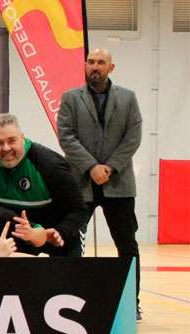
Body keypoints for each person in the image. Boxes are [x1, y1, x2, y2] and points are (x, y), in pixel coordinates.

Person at [57, 47, 143, 318]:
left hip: (119, 184)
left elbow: (133, 136)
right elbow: (66, 136)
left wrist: (110, 167)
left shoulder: (128, 99)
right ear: (85, 66)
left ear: (111, 67)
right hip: (81, 183)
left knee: (127, 244)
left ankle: (132, 302)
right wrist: (91, 167)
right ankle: (71, 298)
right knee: (71, 241)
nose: (95, 66)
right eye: (91, 62)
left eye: (101, 62)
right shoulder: (71, 98)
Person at [0, 113, 86, 256]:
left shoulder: (50, 165)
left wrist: (60, 232)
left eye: (12, 141)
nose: (6, 148)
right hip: (15, 239)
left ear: (22, 138)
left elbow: (79, 210)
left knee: (69, 277)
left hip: (56, 236)